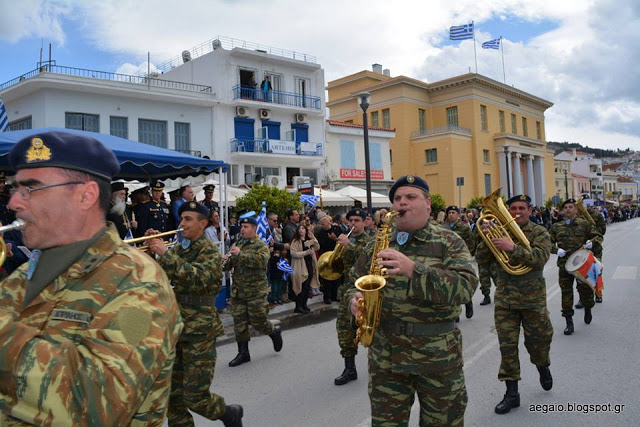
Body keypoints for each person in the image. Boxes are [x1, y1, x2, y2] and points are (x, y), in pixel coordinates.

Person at [0, 130, 183, 425]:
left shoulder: (139, 283)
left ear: (86, 195)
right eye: (14, 189)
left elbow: (99, 405)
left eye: (30, 189)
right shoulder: (23, 275)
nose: (14, 204)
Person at [346, 175, 478, 426]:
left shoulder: (449, 242)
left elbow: (465, 288)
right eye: (397, 198)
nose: (402, 203)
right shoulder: (377, 244)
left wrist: (413, 270)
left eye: (411, 197)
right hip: (386, 359)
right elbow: (352, 283)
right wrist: (354, 300)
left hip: (437, 359)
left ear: (428, 204)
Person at [147, 201, 243, 427]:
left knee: (195, 396)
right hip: (176, 328)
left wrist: (164, 253)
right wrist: (153, 249)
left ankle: (228, 413)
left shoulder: (209, 250)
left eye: (188, 219)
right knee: (173, 396)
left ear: (203, 223)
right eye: (181, 219)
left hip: (200, 330)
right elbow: (158, 275)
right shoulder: (180, 249)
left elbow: (199, 278)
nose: (182, 224)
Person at [476, 194, 554, 415]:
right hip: (506, 299)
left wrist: (512, 248)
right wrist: (487, 238)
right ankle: (512, 394)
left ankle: (542, 365)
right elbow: (481, 259)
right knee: (507, 348)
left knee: (538, 342)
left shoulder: (540, 232)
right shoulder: (499, 231)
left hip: (533, 299)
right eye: (512, 209)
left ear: (530, 211)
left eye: (522, 208)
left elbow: (540, 258)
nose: (516, 212)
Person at [223, 216, 283, 367]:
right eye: (242, 227)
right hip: (239, 291)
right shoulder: (238, 244)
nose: (242, 229)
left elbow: (261, 261)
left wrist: (240, 255)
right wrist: (226, 260)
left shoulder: (260, 245)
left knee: (258, 321)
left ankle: (273, 332)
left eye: (246, 227)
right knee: (239, 323)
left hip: (256, 291)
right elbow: (228, 266)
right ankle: (243, 353)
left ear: (254, 228)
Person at [549, 199, 602, 335]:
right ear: (562, 211)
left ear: (576, 210)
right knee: (566, 293)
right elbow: (547, 243)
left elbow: (598, 236)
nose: (568, 209)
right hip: (564, 265)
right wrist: (556, 251)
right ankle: (568, 321)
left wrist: (592, 242)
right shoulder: (556, 227)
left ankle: (588, 307)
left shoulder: (585, 224)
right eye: (565, 207)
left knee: (585, 289)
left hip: (582, 264)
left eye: (570, 207)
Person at [334, 208, 373, 386]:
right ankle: (349, 368)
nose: (353, 224)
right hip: (346, 289)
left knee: (369, 330)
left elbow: (366, 259)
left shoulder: (370, 241)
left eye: (357, 220)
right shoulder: (345, 239)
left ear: (365, 222)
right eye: (350, 220)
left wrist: (348, 245)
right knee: (344, 329)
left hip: (364, 289)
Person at [444, 205, 476, 320]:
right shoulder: (444, 227)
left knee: (462, 282)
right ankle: (455, 312)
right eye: (449, 213)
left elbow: (471, 241)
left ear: (458, 215)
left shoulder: (464, 228)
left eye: (453, 212)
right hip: (447, 260)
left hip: (461, 259)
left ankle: (468, 303)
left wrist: (467, 255)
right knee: (451, 284)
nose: (451, 214)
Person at [576, 203, 607, 307]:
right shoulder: (577, 216)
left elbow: (603, 230)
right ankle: (582, 299)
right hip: (582, 248)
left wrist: (594, 233)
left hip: (595, 248)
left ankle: (598, 293)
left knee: (595, 271)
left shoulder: (597, 215)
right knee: (580, 275)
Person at [290, 224, 320, 313]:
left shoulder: (308, 240)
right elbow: (293, 253)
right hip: (300, 266)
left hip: (309, 264)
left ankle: (304, 304)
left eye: (303, 228)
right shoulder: (296, 241)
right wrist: (306, 252)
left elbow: (317, 247)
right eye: (299, 229)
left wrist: (313, 237)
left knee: (307, 287)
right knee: (301, 286)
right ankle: (298, 306)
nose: (301, 230)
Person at [315, 215, 343, 304]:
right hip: (326, 256)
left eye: (324, 224)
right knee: (327, 278)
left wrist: (335, 239)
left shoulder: (337, 229)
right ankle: (327, 297)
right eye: (322, 224)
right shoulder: (321, 232)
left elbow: (342, 240)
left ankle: (334, 296)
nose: (323, 226)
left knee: (336, 277)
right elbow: (321, 244)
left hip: (336, 255)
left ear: (329, 223)